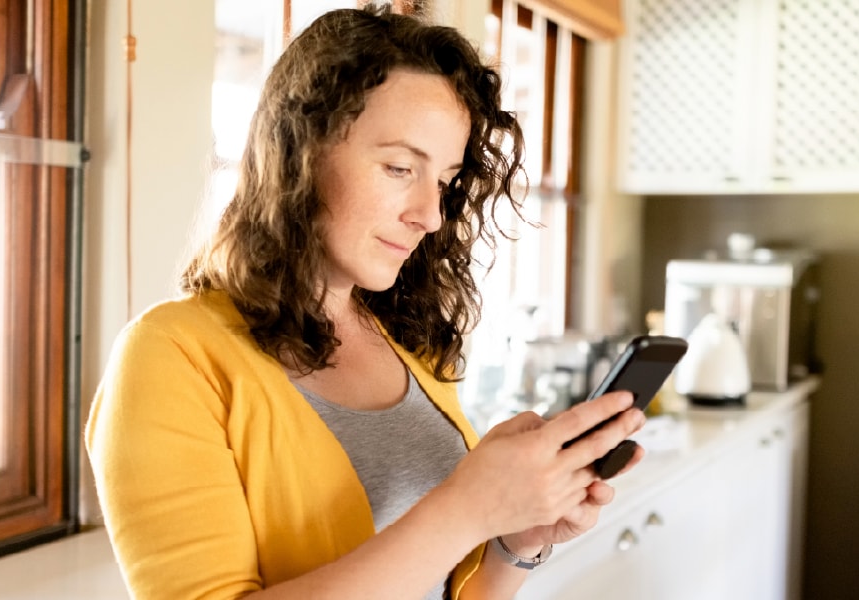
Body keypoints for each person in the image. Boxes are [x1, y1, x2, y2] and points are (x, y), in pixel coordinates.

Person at [85, 6, 646, 600]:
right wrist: (466, 510)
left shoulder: (409, 341)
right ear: (297, 154)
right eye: (400, 167)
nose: (429, 215)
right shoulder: (170, 356)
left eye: (444, 182)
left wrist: (515, 540)